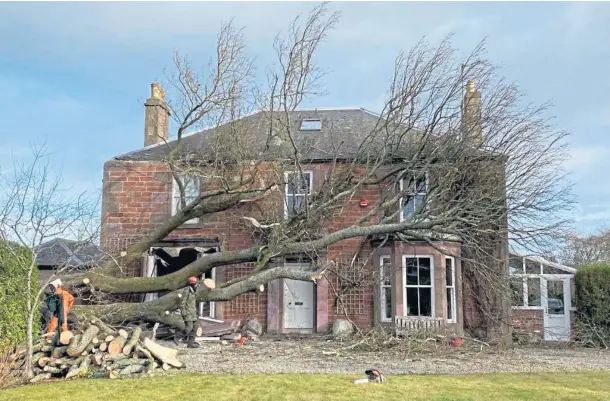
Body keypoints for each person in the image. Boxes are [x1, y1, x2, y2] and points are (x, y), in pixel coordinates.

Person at [176, 276, 200, 348]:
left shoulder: (194, 291)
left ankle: (190, 344)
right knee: (189, 328)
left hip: (194, 313)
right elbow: (182, 304)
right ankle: (177, 337)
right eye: (196, 283)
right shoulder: (187, 291)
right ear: (193, 284)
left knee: (195, 328)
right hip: (188, 313)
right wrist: (183, 313)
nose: (197, 285)